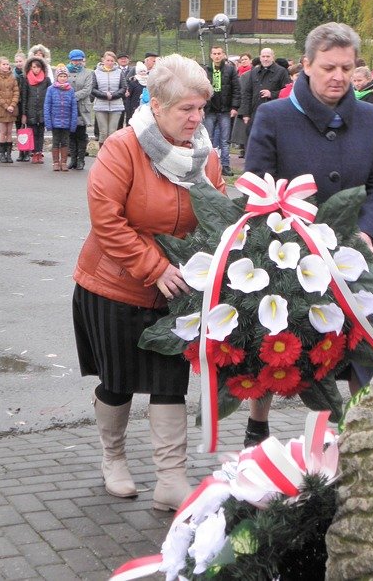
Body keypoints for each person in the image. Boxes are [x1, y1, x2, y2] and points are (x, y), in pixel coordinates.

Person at [72, 54, 226, 511]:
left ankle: (170, 480)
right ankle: (113, 458)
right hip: (115, 286)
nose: (196, 119)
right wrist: (155, 268)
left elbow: (218, 214)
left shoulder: (205, 155)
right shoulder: (122, 148)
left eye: (201, 108)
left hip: (178, 291)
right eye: (186, 109)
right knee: (117, 382)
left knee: (169, 382)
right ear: (157, 106)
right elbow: (106, 220)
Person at [243, 22, 373, 447]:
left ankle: (361, 436)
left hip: (350, 256)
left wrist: (367, 234)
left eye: (347, 67)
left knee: (362, 348)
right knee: (277, 347)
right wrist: (281, 240)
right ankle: (257, 429)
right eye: (329, 67)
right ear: (306, 65)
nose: (339, 76)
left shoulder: (368, 117)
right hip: (288, 253)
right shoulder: (274, 116)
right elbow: (257, 186)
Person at [238, 49, 290, 158]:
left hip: (273, 112)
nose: (265, 59)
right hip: (255, 112)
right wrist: (245, 114)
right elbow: (247, 93)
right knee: (252, 139)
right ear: (260, 57)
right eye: (263, 56)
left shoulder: (281, 72)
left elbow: (287, 90)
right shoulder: (254, 72)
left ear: (273, 57)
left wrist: (272, 94)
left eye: (268, 56)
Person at [203, 45, 240, 176]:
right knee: (208, 139)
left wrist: (235, 107)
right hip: (209, 109)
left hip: (225, 109)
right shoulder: (206, 70)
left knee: (225, 140)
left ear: (223, 55)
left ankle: (225, 165)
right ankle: (207, 165)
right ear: (211, 55)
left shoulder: (230, 69)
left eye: (219, 53)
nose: (217, 56)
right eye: (214, 54)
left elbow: (236, 88)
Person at [44, 65, 78, 171]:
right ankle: (55, 162)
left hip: (67, 121)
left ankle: (63, 162)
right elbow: (47, 106)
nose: (63, 78)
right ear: (56, 77)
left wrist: (73, 123)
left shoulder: (71, 90)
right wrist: (48, 122)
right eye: (61, 76)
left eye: (64, 76)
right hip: (55, 121)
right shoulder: (51, 89)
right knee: (56, 141)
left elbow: (74, 108)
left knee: (65, 142)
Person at [92, 51, 127, 148]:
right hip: (100, 105)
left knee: (112, 132)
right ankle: (102, 153)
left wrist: (113, 95)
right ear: (103, 60)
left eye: (112, 61)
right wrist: (104, 95)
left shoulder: (119, 72)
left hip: (116, 106)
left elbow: (123, 88)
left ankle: (112, 153)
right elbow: (93, 89)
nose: (110, 62)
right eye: (108, 60)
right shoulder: (95, 72)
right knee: (103, 132)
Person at [66, 49, 93, 170]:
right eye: (75, 60)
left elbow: (87, 90)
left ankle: (81, 160)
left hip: (82, 107)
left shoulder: (88, 73)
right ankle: (73, 159)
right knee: (71, 134)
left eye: (79, 60)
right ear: (71, 60)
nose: (77, 62)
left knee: (81, 134)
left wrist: (72, 96)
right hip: (68, 107)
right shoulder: (65, 71)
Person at [22, 55, 51, 164]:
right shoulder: (26, 80)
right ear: (30, 67)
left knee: (41, 133)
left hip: (43, 110)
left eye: (38, 67)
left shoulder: (46, 80)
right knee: (32, 132)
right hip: (31, 110)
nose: (36, 69)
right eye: (34, 67)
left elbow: (50, 96)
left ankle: (39, 152)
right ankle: (34, 153)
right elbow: (24, 97)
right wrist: (24, 113)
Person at [0, 56, 19, 164]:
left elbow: (16, 92)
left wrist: (12, 104)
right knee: (3, 131)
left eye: (7, 64)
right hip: (1, 108)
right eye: (4, 64)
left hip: (12, 108)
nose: (6, 66)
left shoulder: (12, 77)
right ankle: (2, 154)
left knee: (9, 132)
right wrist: (6, 106)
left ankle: (9, 154)